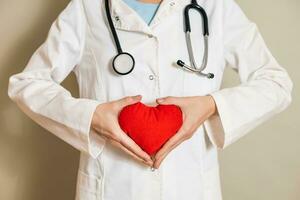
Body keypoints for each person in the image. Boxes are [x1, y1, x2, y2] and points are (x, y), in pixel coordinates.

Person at [7, 0, 293, 199]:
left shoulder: (215, 7)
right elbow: (27, 84)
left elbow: (276, 83)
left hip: (191, 188)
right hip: (113, 189)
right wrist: (91, 116)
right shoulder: (87, 8)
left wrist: (209, 106)